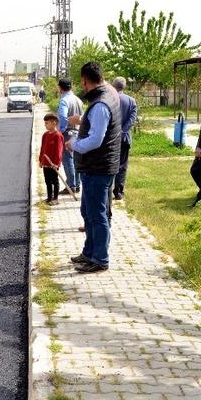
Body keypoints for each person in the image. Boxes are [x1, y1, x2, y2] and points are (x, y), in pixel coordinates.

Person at [65, 61, 122, 273]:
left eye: (82, 82)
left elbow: (96, 139)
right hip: (104, 165)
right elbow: (102, 127)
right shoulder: (110, 92)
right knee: (89, 212)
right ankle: (89, 253)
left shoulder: (100, 104)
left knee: (97, 215)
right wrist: (81, 121)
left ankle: (100, 259)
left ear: (85, 80)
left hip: (98, 167)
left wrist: (74, 145)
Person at [111, 77, 138, 200]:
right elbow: (132, 119)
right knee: (122, 165)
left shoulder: (109, 99)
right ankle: (118, 191)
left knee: (109, 163)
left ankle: (106, 189)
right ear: (124, 86)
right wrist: (122, 131)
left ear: (113, 85)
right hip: (124, 138)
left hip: (109, 138)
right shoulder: (131, 101)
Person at [57, 78, 84, 195]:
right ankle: (77, 185)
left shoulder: (64, 100)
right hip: (78, 131)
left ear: (60, 88)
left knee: (67, 159)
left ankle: (71, 186)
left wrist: (61, 130)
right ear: (71, 86)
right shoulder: (78, 100)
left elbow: (63, 117)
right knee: (76, 159)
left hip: (67, 131)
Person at [40, 113, 64, 205]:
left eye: (47, 123)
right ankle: (49, 197)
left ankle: (55, 198)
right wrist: (40, 160)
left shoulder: (58, 136)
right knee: (47, 181)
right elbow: (43, 148)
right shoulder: (45, 135)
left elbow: (59, 152)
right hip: (45, 163)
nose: (45, 125)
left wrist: (56, 163)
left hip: (53, 164)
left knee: (55, 180)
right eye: (45, 123)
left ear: (54, 123)